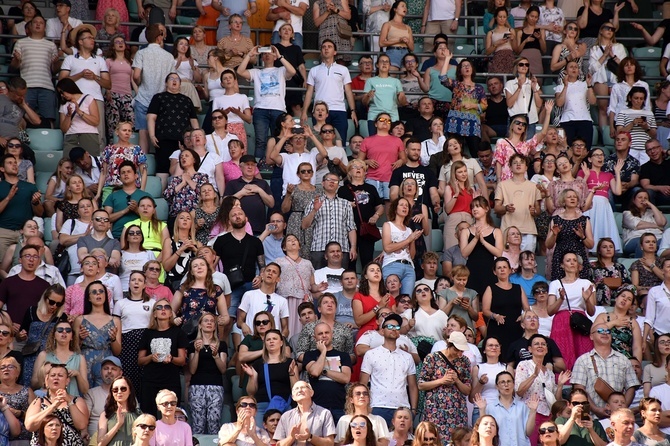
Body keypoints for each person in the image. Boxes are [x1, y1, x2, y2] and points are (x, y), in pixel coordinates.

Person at [237, 46, 295, 165]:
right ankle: (258, 167)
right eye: (264, 54)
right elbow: (240, 71)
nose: (267, 55)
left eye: (270, 53)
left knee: (278, 139)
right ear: (262, 57)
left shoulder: (281, 70)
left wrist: (279, 56)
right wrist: (250, 54)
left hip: (278, 109)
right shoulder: (257, 72)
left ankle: (276, 164)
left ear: (274, 56)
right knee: (260, 141)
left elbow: (293, 71)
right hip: (260, 110)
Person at [571, 322, 640, 419]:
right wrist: (595, 409)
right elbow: (579, 389)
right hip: (592, 418)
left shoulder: (623, 359)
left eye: (608, 331)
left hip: (619, 419)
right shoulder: (582, 360)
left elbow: (631, 387)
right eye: (600, 331)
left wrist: (622, 410)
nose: (605, 333)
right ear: (591, 336)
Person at [360, 313, 418, 425]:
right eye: (390, 326)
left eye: (397, 327)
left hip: (402, 408)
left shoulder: (407, 356)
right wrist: (365, 407)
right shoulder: (371, 354)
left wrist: (413, 410)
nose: (394, 329)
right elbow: (363, 383)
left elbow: (413, 386)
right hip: (377, 406)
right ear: (382, 331)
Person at [514, 334, 571, 445]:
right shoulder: (524, 365)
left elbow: (556, 400)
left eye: (543, 344)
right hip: (529, 413)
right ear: (530, 349)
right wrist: (534, 375)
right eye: (536, 344)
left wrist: (560, 385)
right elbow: (519, 391)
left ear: (546, 350)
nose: (540, 346)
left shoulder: (549, 372)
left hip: (547, 415)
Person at [137, 299, 188, 417]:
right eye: (159, 307)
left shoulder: (178, 333)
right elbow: (140, 360)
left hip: (170, 380)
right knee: (148, 416)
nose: (163, 309)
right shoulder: (147, 333)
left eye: (167, 307)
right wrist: (150, 357)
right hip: (150, 381)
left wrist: (172, 359)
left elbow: (182, 360)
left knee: (171, 416)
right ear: (154, 313)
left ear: (171, 313)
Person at [418, 331, 470, 444]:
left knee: (457, 440)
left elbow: (467, 390)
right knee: (434, 440)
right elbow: (421, 385)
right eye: (456, 350)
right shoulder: (432, 358)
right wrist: (441, 381)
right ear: (449, 344)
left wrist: (457, 380)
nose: (459, 354)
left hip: (457, 411)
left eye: (462, 351)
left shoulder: (465, 361)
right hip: (435, 410)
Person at [132, 23, 177, 156]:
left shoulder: (141, 53)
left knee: (143, 132)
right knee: (161, 132)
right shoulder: (168, 56)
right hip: (161, 99)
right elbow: (172, 78)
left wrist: (139, 83)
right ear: (159, 37)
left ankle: (143, 163)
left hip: (143, 97)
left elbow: (136, 75)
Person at [147, 74, 199, 186]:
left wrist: (196, 138)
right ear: (166, 83)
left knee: (185, 167)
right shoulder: (158, 97)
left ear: (180, 83)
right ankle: (162, 195)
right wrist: (152, 135)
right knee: (163, 167)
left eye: (177, 79)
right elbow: (151, 117)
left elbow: (194, 121)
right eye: (171, 79)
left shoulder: (187, 100)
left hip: (184, 141)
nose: (174, 81)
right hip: (164, 138)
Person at [547, 251, 596, 371]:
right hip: (561, 321)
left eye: (574, 260)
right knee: (563, 353)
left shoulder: (586, 283)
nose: (572, 263)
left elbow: (591, 312)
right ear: (562, 265)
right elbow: (549, 310)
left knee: (582, 352)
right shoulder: (555, 284)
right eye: (568, 260)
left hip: (580, 320)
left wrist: (587, 300)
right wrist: (561, 299)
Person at [9, 16, 60, 128]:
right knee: (23, 116)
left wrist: (56, 63)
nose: (38, 24)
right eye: (35, 22)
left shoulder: (51, 45)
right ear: (30, 26)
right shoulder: (20, 43)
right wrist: (16, 60)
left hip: (46, 86)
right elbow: (13, 67)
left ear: (45, 27)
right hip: (26, 87)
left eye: (41, 22)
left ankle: (49, 141)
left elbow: (54, 70)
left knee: (49, 118)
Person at [302, 173, 357, 269]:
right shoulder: (314, 202)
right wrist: (314, 210)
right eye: (329, 179)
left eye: (335, 181)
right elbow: (304, 225)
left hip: (342, 248)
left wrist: (353, 247)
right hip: (319, 248)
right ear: (323, 183)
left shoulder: (345, 204)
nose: (332, 182)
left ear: (338, 185)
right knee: (318, 280)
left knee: (340, 280)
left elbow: (351, 228)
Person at [242, 329, 298, 424]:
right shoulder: (258, 364)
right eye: (268, 340)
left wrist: (292, 374)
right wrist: (251, 376)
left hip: (284, 406)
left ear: (281, 343)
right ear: (265, 344)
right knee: (261, 436)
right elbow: (251, 392)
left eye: (274, 339)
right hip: (262, 406)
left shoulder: (290, 363)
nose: (271, 341)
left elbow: (296, 390)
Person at [24, 363, 88, 446]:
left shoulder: (77, 401)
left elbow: (82, 425)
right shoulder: (39, 401)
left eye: (60, 375)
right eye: (52, 375)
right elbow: (29, 426)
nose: (56, 378)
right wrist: (53, 406)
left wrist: (69, 401)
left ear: (67, 381)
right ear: (47, 380)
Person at [303, 321, 352, 423]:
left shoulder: (344, 355)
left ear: (332, 334)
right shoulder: (309, 355)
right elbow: (315, 372)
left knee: (340, 438)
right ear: (314, 337)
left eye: (326, 332)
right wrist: (324, 351)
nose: (324, 336)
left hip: (339, 406)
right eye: (320, 334)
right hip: (317, 406)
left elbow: (345, 378)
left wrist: (324, 372)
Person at [482, 257, 530, 357]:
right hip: (497, 329)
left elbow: (527, 308)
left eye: (504, 267)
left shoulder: (518, 288)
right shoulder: (490, 288)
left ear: (510, 270)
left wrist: (523, 316)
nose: (502, 270)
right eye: (499, 268)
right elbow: (485, 310)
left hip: (516, 329)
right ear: (495, 272)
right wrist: (495, 316)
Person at [187, 313, 227, 434]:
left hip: (215, 386)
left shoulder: (222, 344)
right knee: (198, 423)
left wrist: (215, 356)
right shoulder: (193, 345)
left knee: (214, 422)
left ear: (215, 326)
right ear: (200, 325)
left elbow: (223, 369)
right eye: (206, 321)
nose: (209, 323)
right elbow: (192, 370)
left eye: (212, 321)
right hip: (197, 386)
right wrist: (197, 352)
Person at [473, 371, 537, 446]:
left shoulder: (522, 406)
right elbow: (484, 431)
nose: (506, 385)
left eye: (509, 381)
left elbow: (528, 432)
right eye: (502, 382)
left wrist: (533, 411)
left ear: (513, 384)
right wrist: (482, 410)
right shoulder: (490, 407)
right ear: (497, 386)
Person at [546, 189, 594, 281]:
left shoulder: (584, 220)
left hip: (578, 256)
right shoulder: (555, 220)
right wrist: (554, 235)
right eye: (569, 197)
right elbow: (548, 245)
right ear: (563, 201)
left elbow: (591, 245)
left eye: (574, 197)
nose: (572, 199)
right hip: (560, 256)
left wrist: (582, 236)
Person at [459, 196, 503, 298]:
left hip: (489, 270)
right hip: (472, 270)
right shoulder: (466, 231)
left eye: (478, 206)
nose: (474, 209)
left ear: (487, 209)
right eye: (473, 207)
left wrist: (483, 241)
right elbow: (464, 253)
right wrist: (475, 239)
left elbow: (498, 253)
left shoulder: (496, 231)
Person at [0, 244, 50, 333]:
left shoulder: (45, 285)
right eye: (27, 256)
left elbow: (49, 310)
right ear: (20, 260)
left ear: (39, 261)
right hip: (11, 333)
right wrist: (8, 323)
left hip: (36, 333)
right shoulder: (8, 282)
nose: (31, 259)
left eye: (35, 257)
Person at [103, 162, 151, 241]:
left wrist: (136, 210)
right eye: (123, 173)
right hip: (118, 236)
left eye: (129, 172)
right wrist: (125, 211)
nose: (126, 174)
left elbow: (153, 218)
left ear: (136, 176)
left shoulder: (146, 196)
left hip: (143, 236)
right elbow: (105, 218)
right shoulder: (112, 196)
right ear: (120, 178)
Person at [97, 376, 141, 446]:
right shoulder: (106, 414)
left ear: (130, 391)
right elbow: (100, 443)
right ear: (112, 393)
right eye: (115, 390)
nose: (119, 392)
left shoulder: (139, 414)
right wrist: (118, 424)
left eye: (123, 389)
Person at [485, 8, 517, 75]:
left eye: (504, 17)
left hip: (510, 57)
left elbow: (515, 49)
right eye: (500, 17)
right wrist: (496, 44)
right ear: (496, 17)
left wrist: (513, 39)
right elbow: (487, 52)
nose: (502, 19)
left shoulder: (511, 30)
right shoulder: (491, 33)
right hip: (497, 57)